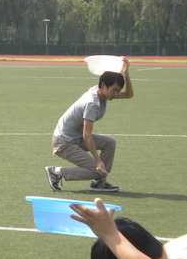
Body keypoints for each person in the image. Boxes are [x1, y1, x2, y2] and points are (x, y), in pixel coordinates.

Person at [45, 57, 133, 192]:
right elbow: (87, 135)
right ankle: (56, 172)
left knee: (109, 143)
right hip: (64, 142)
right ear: (103, 85)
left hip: (76, 137)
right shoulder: (92, 103)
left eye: (118, 90)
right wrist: (98, 161)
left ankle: (99, 182)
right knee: (97, 169)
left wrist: (126, 73)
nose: (116, 94)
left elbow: (128, 95)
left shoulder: (101, 92)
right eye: (114, 90)